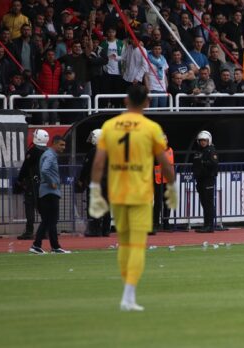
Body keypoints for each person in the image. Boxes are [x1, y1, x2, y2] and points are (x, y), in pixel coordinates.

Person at [88, 84, 177, 312]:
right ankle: (128, 295)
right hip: (140, 193)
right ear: (147, 102)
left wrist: (95, 189)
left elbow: (98, 162)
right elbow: (164, 161)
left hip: (117, 193)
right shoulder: (151, 128)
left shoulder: (109, 126)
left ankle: (126, 294)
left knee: (124, 243)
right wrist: (171, 187)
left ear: (126, 101)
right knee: (137, 245)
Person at [29, 135, 69, 254]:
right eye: (61, 145)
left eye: (64, 145)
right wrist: (52, 182)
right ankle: (39, 245)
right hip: (50, 192)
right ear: (55, 144)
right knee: (50, 220)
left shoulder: (48, 154)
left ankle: (52, 246)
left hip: (47, 191)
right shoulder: (50, 155)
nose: (63, 147)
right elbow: (45, 170)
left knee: (49, 220)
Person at [15, 129, 48, 240]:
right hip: (45, 183)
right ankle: (46, 230)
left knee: (30, 206)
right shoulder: (48, 151)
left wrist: (20, 179)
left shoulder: (33, 151)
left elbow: (25, 167)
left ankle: (29, 231)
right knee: (43, 207)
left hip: (33, 183)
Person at [78, 129, 111, 237]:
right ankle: (106, 230)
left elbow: (86, 168)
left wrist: (81, 179)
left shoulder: (93, 151)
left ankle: (94, 230)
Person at [193, 130, 219, 233]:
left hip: (208, 179)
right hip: (200, 180)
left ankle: (210, 226)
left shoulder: (211, 150)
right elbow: (195, 164)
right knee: (204, 202)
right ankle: (206, 224)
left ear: (208, 140)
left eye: (204, 140)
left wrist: (204, 163)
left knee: (208, 202)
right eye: (201, 140)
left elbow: (214, 163)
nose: (203, 142)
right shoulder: (198, 151)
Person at [153, 134, 174, 232]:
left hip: (168, 180)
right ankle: (156, 223)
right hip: (158, 180)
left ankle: (166, 223)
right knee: (157, 203)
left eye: (165, 139)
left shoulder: (171, 150)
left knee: (167, 203)